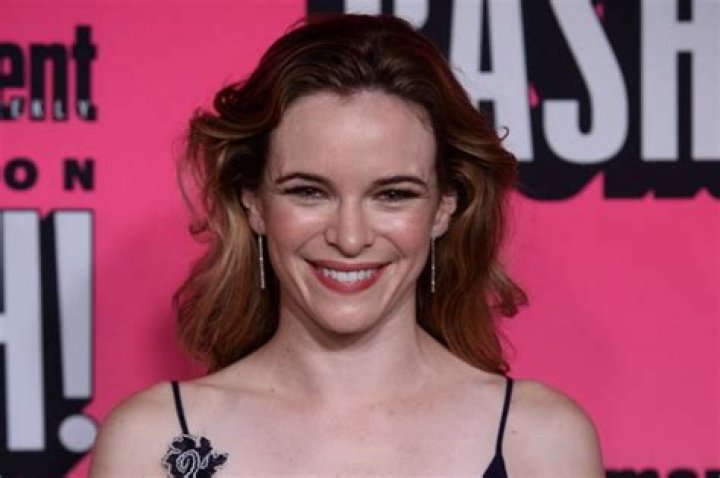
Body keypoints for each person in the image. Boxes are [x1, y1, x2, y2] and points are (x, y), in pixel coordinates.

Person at [90, 14, 604, 477]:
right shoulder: (152, 443)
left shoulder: (541, 442)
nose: (350, 238)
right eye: (309, 192)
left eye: (393, 195)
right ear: (253, 202)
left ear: (444, 206)